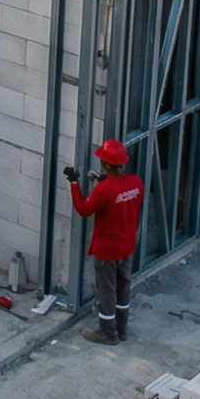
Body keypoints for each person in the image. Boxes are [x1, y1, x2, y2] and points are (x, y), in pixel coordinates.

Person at [64, 138, 144, 344]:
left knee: (106, 290)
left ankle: (107, 332)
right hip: (126, 246)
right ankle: (121, 328)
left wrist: (74, 183)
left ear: (107, 165)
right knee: (123, 286)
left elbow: (84, 208)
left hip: (107, 250)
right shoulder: (136, 182)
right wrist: (105, 181)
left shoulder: (104, 189)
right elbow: (122, 197)